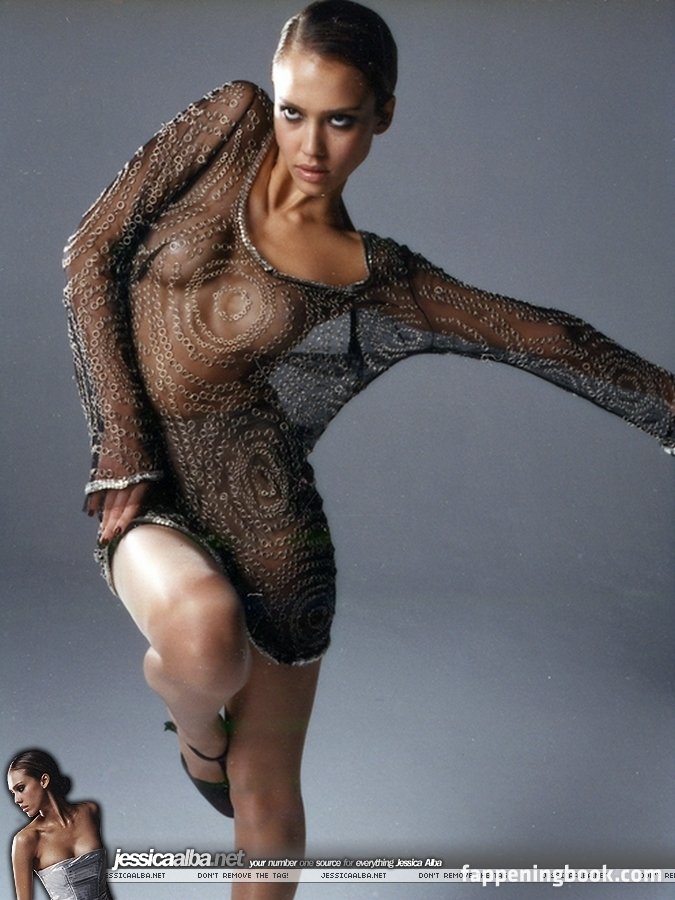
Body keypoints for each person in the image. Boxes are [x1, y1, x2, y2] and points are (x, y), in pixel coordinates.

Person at [62, 0, 674, 895]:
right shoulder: (227, 125)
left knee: (267, 805)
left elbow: (545, 337)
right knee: (202, 639)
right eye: (294, 111)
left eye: (341, 120)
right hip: (152, 491)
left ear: (382, 115)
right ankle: (196, 738)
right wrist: (120, 439)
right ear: (272, 95)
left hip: (279, 539)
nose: (309, 145)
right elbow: (91, 253)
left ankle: (218, 755)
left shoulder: (371, 273)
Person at [7, 749, 113, 900]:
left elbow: (104, 886)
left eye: (21, 788)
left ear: (44, 780)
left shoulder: (90, 812)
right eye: (13, 793)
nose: (17, 799)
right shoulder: (26, 840)